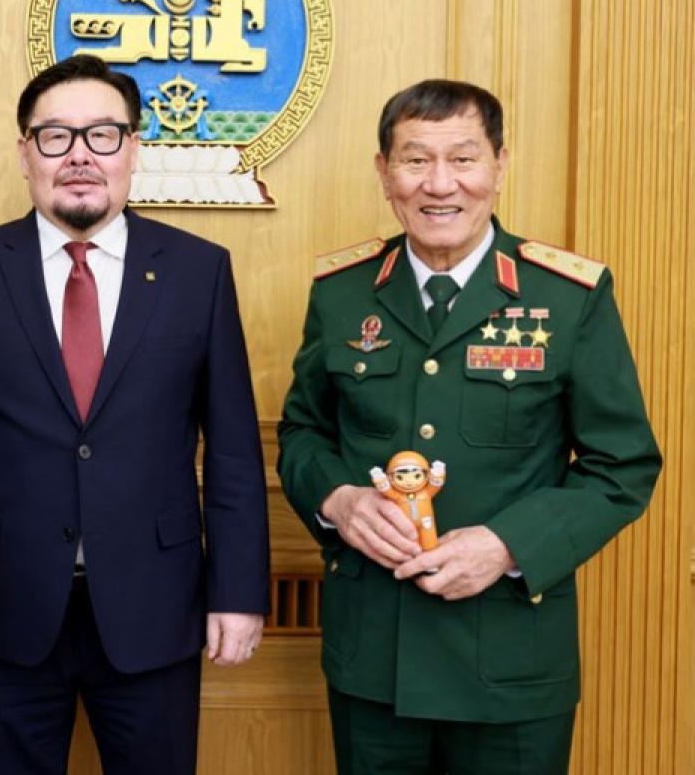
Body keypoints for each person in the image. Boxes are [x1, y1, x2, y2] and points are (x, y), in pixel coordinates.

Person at [277, 78, 661, 774]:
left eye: (463, 158)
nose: (439, 184)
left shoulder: (567, 297)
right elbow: (303, 433)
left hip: (511, 663)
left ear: (500, 166)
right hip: (375, 658)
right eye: (415, 160)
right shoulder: (341, 293)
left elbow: (622, 465)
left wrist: (507, 544)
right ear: (384, 173)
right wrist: (339, 499)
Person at [0, 54, 270, 774]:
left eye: (102, 134)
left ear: (133, 149)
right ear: (25, 153)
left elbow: (231, 449)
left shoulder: (198, 271)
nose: (79, 155)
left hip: (156, 607)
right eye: (55, 136)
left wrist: (238, 591)